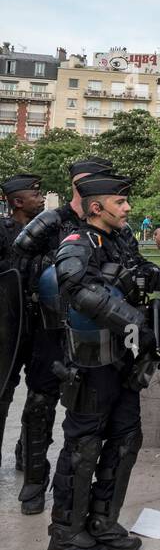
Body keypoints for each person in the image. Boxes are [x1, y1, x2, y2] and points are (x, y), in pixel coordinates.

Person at [49, 175, 160, 550]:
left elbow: (141, 273)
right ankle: (66, 533)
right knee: (83, 445)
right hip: (90, 364)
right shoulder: (76, 244)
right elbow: (76, 287)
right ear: (95, 208)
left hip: (125, 360)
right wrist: (135, 322)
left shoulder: (120, 241)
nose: (128, 208)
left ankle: (103, 521)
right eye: (120, 203)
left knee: (125, 439)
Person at [13, 157, 148, 516]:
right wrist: (53, 277)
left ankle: (90, 512)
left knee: (89, 419)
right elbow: (20, 258)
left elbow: (132, 267)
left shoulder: (114, 228)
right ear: (81, 184)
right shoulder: (53, 221)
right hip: (51, 327)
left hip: (96, 334)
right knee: (41, 401)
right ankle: (34, 481)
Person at [0, 174, 46, 468]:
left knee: (40, 395)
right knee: (3, 391)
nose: (41, 198)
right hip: (8, 328)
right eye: (35, 194)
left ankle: (27, 454)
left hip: (40, 325)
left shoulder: (48, 233)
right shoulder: (3, 232)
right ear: (18, 202)